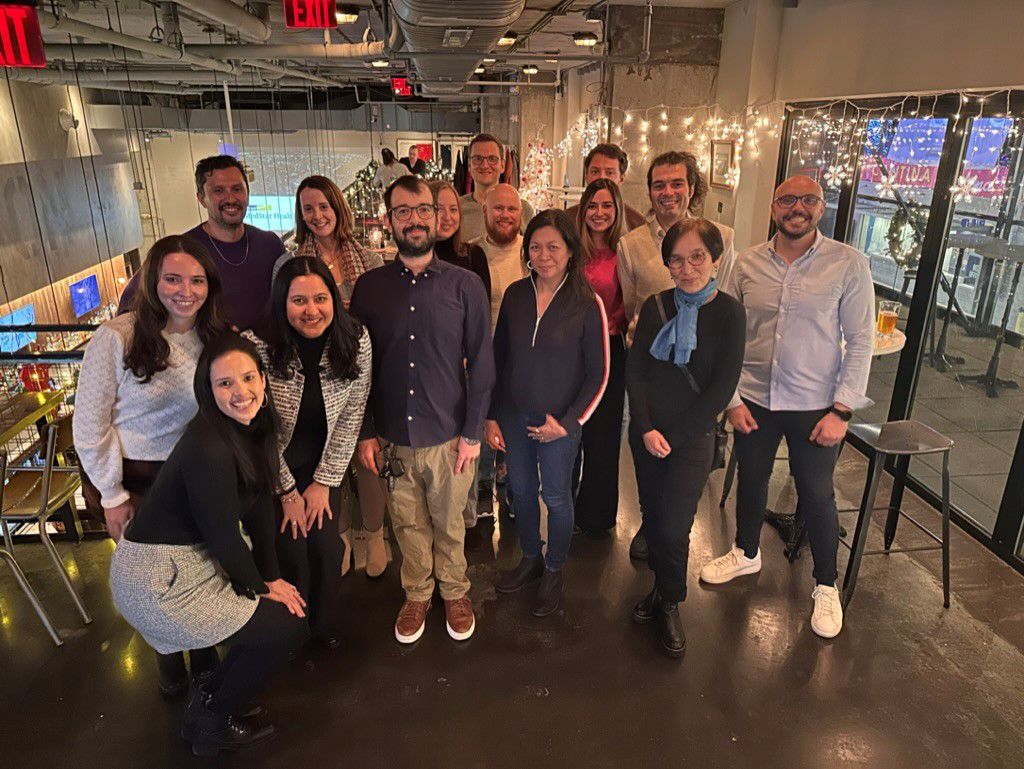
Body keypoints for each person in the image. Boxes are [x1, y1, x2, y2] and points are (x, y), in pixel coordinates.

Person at [109, 332, 308, 756]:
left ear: (263, 380)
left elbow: (258, 508)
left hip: (186, 562)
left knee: (279, 617)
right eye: (225, 384)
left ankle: (210, 704)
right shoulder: (209, 448)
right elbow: (222, 535)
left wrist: (269, 577)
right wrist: (261, 587)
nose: (242, 393)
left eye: (249, 378)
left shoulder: (253, 430)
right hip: (157, 580)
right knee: (281, 627)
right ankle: (212, 722)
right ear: (208, 389)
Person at [699, 175, 875, 640]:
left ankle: (826, 585)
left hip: (817, 405)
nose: (797, 208)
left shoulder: (848, 264)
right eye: (788, 200)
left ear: (820, 207)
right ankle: (746, 551)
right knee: (752, 479)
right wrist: (731, 400)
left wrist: (842, 412)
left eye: (808, 200)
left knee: (816, 493)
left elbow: (861, 341)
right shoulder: (747, 263)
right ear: (775, 207)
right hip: (755, 397)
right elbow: (726, 335)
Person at [75, 234, 227, 697]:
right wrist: (113, 495)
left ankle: (202, 654)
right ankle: (167, 658)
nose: (186, 290)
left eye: (197, 280)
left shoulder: (213, 335)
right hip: (137, 480)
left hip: (196, 476)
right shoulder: (117, 337)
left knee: (200, 569)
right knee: (152, 579)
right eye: (173, 278)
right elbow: (89, 427)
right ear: (152, 281)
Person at [350, 176, 495, 645]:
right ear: (389, 220)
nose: (414, 219)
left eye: (422, 210)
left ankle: (454, 590)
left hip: (450, 434)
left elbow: (484, 363)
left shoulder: (466, 285)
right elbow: (360, 369)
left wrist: (473, 433)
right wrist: (367, 432)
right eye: (403, 211)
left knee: (451, 522)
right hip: (393, 436)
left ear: (438, 216)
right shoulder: (369, 289)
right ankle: (417, 593)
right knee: (407, 522)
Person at [626, 219, 745, 658]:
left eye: (698, 257)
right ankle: (659, 589)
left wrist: (670, 436)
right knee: (654, 519)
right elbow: (635, 371)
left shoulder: (730, 313)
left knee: (675, 526)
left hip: (690, 440)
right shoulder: (657, 304)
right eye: (677, 259)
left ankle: (671, 600)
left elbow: (720, 387)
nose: (688, 267)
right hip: (646, 434)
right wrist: (643, 427)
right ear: (668, 265)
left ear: (714, 260)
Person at [486, 209, 609, 617]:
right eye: (535, 247)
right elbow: (497, 358)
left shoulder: (587, 302)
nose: (544, 255)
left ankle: (555, 568)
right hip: (513, 416)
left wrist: (569, 422)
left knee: (555, 497)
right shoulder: (516, 295)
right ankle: (530, 557)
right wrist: (490, 415)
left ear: (571, 251)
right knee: (520, 493)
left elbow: (599, 373)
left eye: (553, 246)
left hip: (558, 423)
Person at [246, 257, 372, 648]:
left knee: (326, 549)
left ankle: (320, 626)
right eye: (299, 300)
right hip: (272, 470)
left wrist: (323, 483)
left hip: (322, 468)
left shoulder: (355, 340)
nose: (311, 310)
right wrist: (287, 494)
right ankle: (290, 631)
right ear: (282, 302)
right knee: (291, 550)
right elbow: (257, 431)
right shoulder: (259, 346)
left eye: (320, 298)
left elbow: (353, 415)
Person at [618, 150, 736, 561]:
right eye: (658, 185)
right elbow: (633, 306)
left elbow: (725, 303)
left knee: (680, 492)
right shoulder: (630, 244)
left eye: (676, 183)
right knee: (648, 477)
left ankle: (668, 546)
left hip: (698, 379)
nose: (667, 192)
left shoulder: (723, 235)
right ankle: (650, 528)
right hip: (650, 366)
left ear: (692, 188)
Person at [275, 175, 388, 578]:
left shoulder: (367, 259)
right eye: (309, 208)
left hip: (360, 368)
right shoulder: (288, 263)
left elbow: (377, 318)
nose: (318, 215)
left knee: (367, 457)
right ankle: (339, 536)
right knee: (327, 459)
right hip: (313, 376)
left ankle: (372, 536)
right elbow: (283, 319)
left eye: (324, 206)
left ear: (338, 208)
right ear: (301, 215)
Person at [118, 155, 285, 332]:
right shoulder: (180, 251)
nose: (230, 198)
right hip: (207, 356)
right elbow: (130, 308)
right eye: (218, 191)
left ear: (247, 193)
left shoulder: (270, 244)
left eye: (237, 189)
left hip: (269, 355)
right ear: (201, 198)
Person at [571, 179, 629, 536]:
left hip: (611, 350)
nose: (599, 213)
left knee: (603, 437)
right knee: (570, 431)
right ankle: (563, 506)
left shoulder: (626, 252)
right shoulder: (570, 250)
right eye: (593, 205)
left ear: (617, 209)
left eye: (606, 205)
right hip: (571, 352)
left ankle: (596, 516)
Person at [459, 133, 535, 243]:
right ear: (469, 166)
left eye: (492, 159)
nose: (485, 165)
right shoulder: (457, 210)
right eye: (478, 158)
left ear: (503, 165)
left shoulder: (523, 209)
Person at [429, 179, 491, 296]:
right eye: (439, 209)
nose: (447, 217)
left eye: (453, 209)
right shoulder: (414, 259)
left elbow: (483, 310)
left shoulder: (474, 255)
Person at [564, 144, 646, 230]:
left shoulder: (637, 224)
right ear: (586, 176)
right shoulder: (567, 221)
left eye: (609, 173)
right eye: (595, 172)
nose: (601, 178)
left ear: (621, 179)